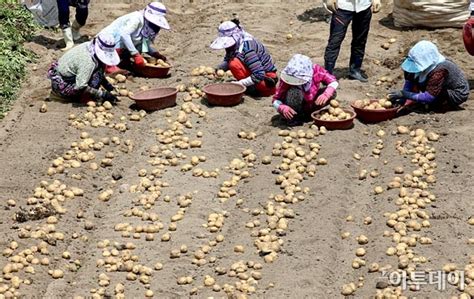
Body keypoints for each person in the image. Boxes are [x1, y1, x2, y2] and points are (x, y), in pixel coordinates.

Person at [388, 40, 469, 110]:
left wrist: (405, 94)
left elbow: (429, 97)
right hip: (436, 85)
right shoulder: (411, 63)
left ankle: (441, 104)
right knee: (415, 82)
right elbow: (409, 81)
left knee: (430, 104)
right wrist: (402, 99)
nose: (412, 67)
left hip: (454, 93)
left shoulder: (440, 70)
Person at [210, 19, 278, 97]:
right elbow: (229, 57)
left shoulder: (247, 49)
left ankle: (253, 89)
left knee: (234, 63)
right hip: (259, 75)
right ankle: (250, 86)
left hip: (266, 81)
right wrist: (220, 68)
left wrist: (239, 84)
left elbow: (259, 74)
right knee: (232, 61)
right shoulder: (237, 43)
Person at [98, 2, 170, 74]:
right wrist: (135, 54)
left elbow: (143, 44)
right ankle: (109, 66)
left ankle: (123, 62)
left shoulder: (146, 26)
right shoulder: (136, 19)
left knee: (138, 44)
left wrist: (155, 53)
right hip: (107, 42)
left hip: (122, 45)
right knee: (121, 37)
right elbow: (124, 34)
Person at [48, 33, 120, 103]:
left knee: (100, 68)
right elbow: (81, 86)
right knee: (96, 76)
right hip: (62, 84)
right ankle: (75, 98)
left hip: (63, 75)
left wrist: (109, 87)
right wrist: (102, 94)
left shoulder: (89, 46)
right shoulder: (88, 61)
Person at [323, 0, 381, 82]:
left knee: (360, 40)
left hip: (364, 6)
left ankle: (355, 70)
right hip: (342, 7)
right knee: (335, 41)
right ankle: (327, 74)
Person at [272, 54, 339, 124]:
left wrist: (326, 94)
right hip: (294, 108)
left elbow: (333, 81)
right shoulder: (287, 79)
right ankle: (295, 118)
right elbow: (276, 99)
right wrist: (282, 107)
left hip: (312, 103)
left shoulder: (316, 70)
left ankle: (310, 115)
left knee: (332, 92)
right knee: (294, 92)